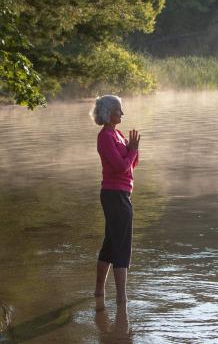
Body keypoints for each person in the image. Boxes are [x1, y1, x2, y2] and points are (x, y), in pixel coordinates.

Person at [89, 95, 140, 304]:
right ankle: (122, 298)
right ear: (109, 113)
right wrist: (132, 151)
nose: (122, 113)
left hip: (121, 193)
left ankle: (99, 292)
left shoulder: (117, 134)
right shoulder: (105, 137)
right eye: (119, 110)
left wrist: (134, 149)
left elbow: (131, 165)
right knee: (122, 245)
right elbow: (120, 167)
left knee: (111, 243)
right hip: (114, 194)